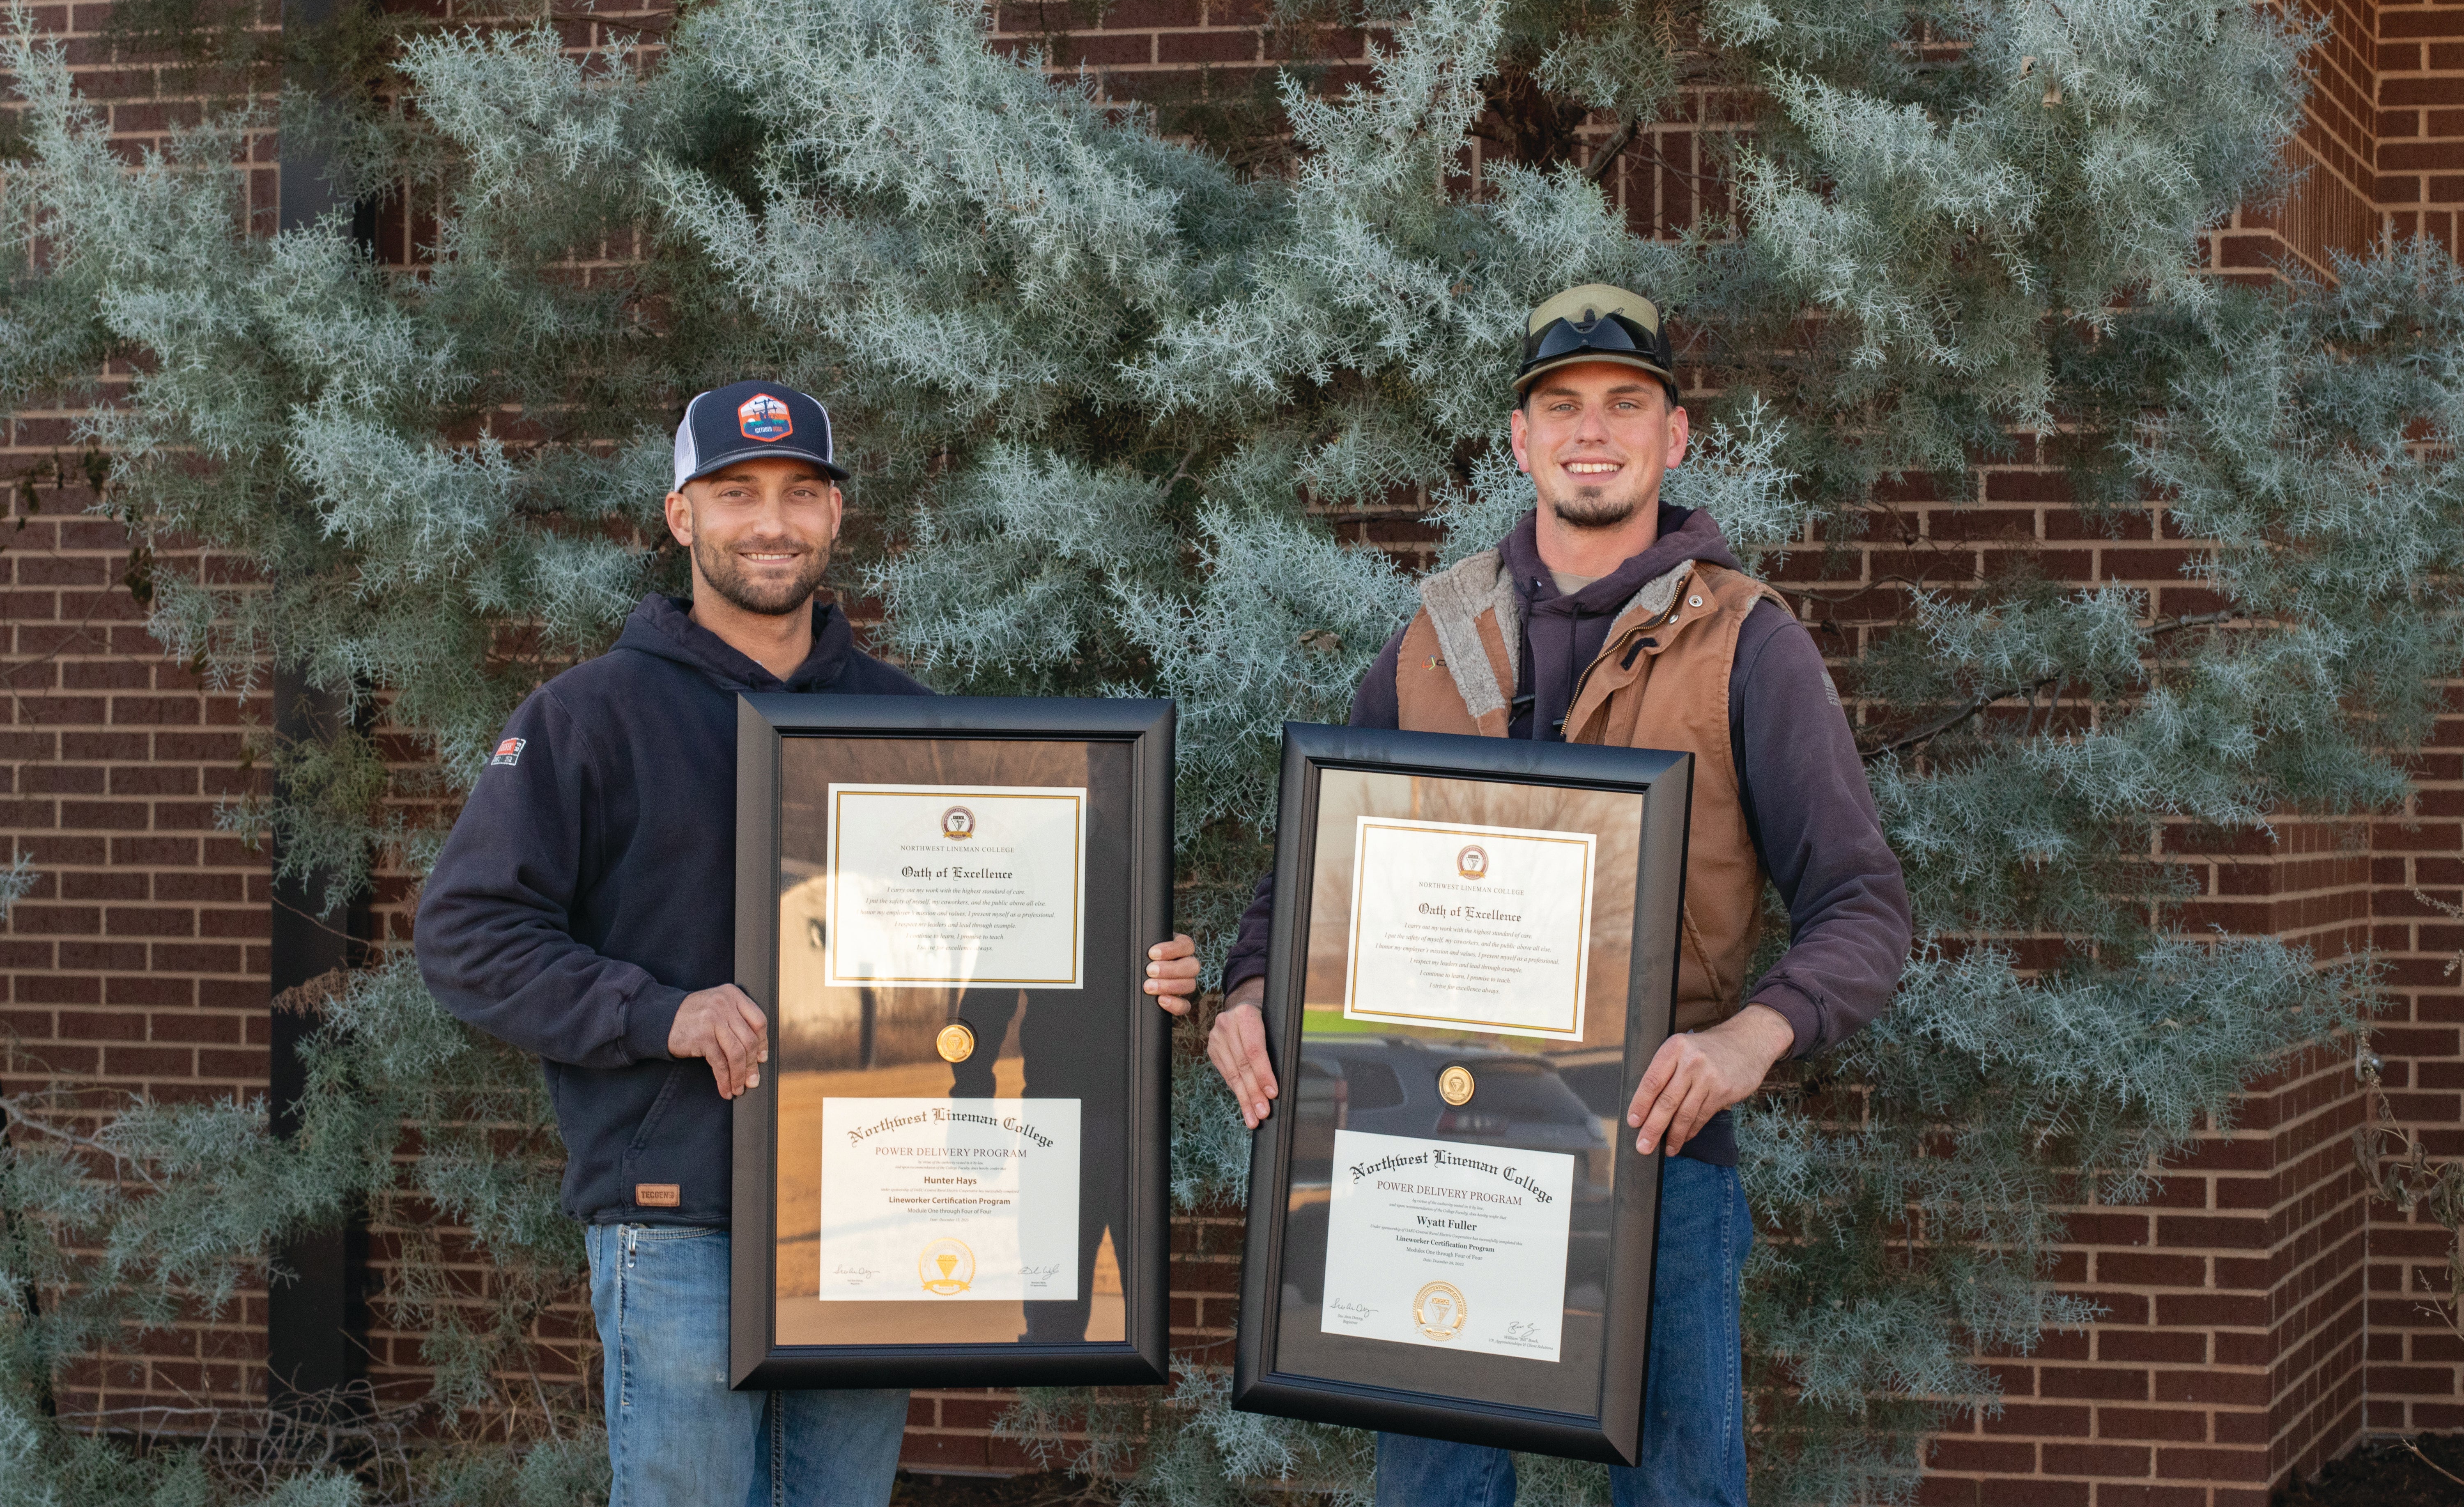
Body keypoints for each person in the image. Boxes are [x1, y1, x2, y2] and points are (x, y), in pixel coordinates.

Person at [1143, 287, 1912, 1507]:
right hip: (1423, 1147)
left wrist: (1745, 1040)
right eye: (1562, 406)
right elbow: (1306, 876)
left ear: (1676, 436)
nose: (1591, 430)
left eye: (1625, 403)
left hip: (1659, 1157)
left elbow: (1866, 905)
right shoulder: (1430, 638)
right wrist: (1247, 990)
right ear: (1520, 438)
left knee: (1679, 1497)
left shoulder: (1749, 643)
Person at [416, 379, 1205, 1507]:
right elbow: (466, 934)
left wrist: (1130, 967)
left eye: (799, 492)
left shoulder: (914, 721)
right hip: (678, 1212)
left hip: (875, 1208)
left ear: (836, 516)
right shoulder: (585, 718)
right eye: (735, 493)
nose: (770, 521)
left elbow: (995, 942)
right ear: (682, 516)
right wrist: (660, 1011)